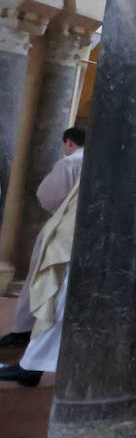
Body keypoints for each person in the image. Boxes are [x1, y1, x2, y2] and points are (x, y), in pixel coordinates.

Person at [0, 126, 85, 350]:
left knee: (41, 278)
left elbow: (47, 197)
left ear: (68, 142)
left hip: (63, 228)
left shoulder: (70, 162)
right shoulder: (99, 163)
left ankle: (24, 330)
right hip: (89, 234)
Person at [0, 185, 80, 386]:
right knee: (58, 304)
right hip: (75, 244)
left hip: (76, 247)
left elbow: (46, 194)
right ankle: (31, 365)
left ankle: (31, 366)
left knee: (59, 306)